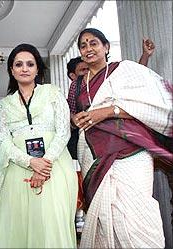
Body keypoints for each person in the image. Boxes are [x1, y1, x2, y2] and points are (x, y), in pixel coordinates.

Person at [68, 28, 172, 248]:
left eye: (93, 43)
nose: (88, 48)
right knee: (106, 218)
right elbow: (71, 114)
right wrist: (76, 118)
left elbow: (143, 105)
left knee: (139, 210)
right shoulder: (78, 84)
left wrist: (106, 111)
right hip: (94, 154)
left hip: (130, 151)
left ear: (106, 47)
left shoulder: (123, 70)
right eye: (83, 45)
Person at [0, 43, 78, 248]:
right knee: (17, 224)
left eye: (30, 64)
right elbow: (5, 142)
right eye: (18, 64)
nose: (24, 68)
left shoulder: (53, 93)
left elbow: (64, 132)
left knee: (51, 221)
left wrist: (43, 165)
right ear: (12, 70)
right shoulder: (4, 105)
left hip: (53, 168)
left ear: (38, 69)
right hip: (17, 172)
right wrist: (30, 162)